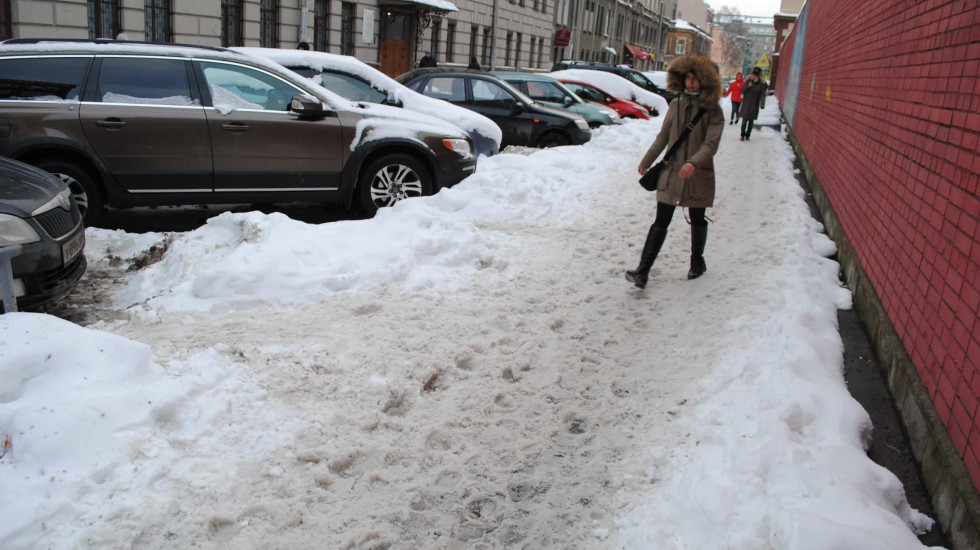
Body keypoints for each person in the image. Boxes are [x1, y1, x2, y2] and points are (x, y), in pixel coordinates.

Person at [626, 54, 724, 288]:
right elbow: (664, 136)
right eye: (688, 78)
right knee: (661, 220)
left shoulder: (713, 110)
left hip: (698, 174)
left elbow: (711, 144)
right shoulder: (676, 104)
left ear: (705, 80)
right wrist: (647, 160)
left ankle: (696, 261)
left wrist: (693, 163)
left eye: (695, 78)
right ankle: (643, 271)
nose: (691, 82)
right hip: (671, 172)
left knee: (697, 218)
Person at [739, 67, 767, 141]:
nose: (753, 76)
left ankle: (748, 135)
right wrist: (748, 86)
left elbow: (762, 95)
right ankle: (742, 135)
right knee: (744, 122)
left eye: (755, 75)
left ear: (758, 76)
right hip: (746, 105)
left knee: (751, 123)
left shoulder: (761, 85)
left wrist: (762, 104)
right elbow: (742, 90)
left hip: (754, 106)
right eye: (753, 74)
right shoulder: (748, 82)